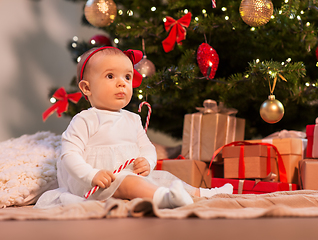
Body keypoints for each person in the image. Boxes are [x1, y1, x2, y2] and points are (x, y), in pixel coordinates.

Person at [35, 46, 232, 209]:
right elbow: (69, 155)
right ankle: (164, 199)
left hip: (129, 173)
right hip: (98, 183)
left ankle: (203, 193)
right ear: (87, 88)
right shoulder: (85, 119)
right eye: (110, 76)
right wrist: (91, 174)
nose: (122, 83)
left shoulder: (132, 119)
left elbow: (146, 147)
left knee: (163, 176)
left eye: (127, 77)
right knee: (130, 183)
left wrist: (147, 161)